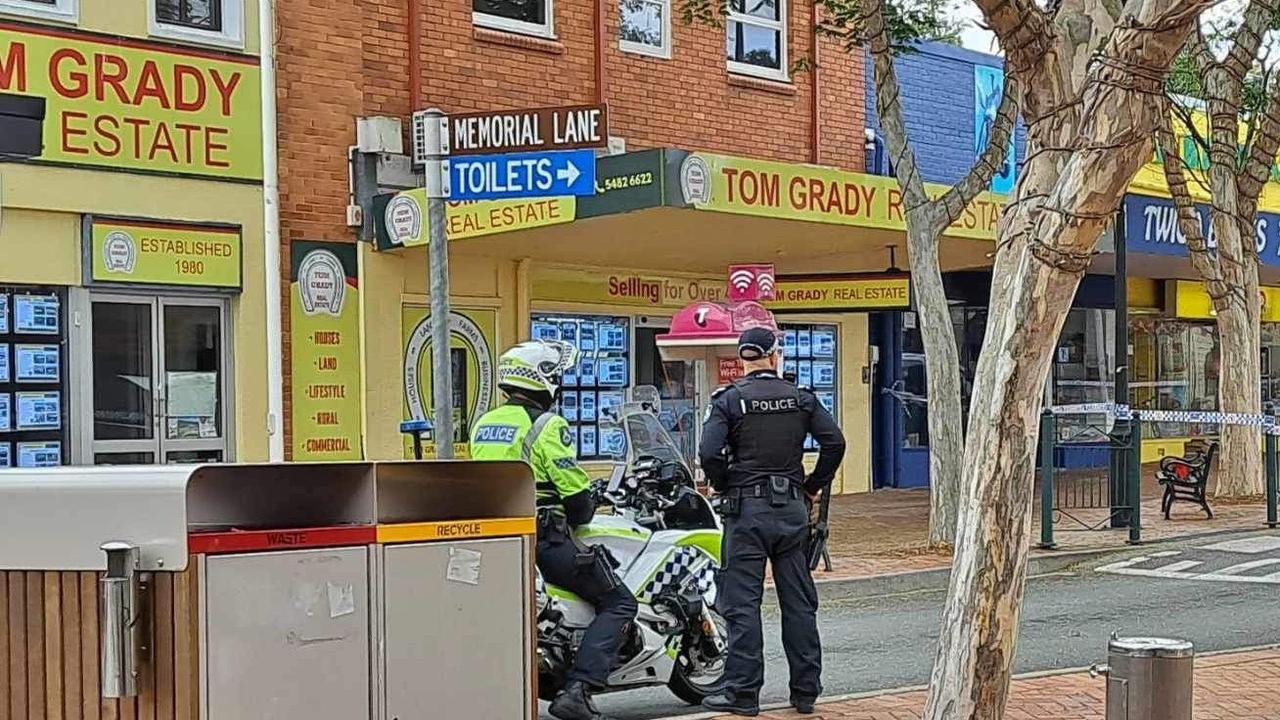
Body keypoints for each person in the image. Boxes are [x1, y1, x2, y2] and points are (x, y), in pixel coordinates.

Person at [468, 339, 637, 720]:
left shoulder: (483, 424)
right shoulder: (546, 424)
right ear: (541, 379)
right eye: (555, 376)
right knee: (619, 602)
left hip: (498, 535)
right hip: (544, 537)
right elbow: (577, 500)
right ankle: (578, 690)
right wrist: (585, 507)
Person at [698, 327, 846, 717]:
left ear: (743, 357)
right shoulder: (801, 399)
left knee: (742, 604)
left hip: (745, 513)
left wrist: (723, 483)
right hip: (791, 511)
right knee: (798, 603)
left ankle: (743, 695)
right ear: (774, 355)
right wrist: (811, 486)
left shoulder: (730, 400)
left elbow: (709, 451)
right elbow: (835, 443)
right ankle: (805, 692)